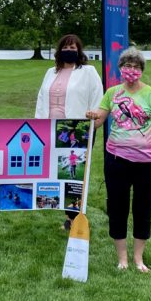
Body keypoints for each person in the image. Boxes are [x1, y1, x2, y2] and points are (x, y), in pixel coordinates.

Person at [86, 48, 151, 273]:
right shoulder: (112, 93)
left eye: (136, 66)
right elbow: (100, 120)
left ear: (141, 70)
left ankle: (138, 258)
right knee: (117, 207)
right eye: (127, 66)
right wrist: (92, 117)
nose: (131, 70)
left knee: (143, 208)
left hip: (147, 164)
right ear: (120, 69)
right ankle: (122, 258)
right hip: (116, 161)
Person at [35, 34, 103, 230]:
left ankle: (75, 219)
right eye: (66, 47)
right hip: (51, 129)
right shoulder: (50, 72)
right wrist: (38, 125)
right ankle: (67, 213)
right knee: (58, 173)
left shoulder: (88, 72)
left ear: (79, 51)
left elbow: (97, 98)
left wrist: (94, 122)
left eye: (73, 48)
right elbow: (41, 99)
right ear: (59, 51)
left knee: (75, 175)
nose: (69, 51)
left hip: (77, 131)